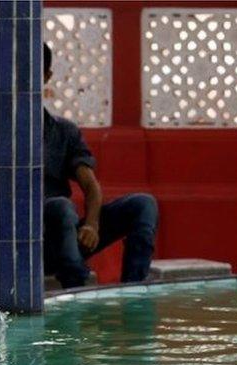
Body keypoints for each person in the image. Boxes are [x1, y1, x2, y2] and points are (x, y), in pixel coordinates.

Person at [42, 43, 158, 286]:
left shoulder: (63, 131)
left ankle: (133, 289)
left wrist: (92, 225)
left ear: (46, 77)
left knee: (143, 204)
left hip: (66, 236)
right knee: (62, 207)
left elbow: (90, 185)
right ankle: (77, 286)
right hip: (26, 242)